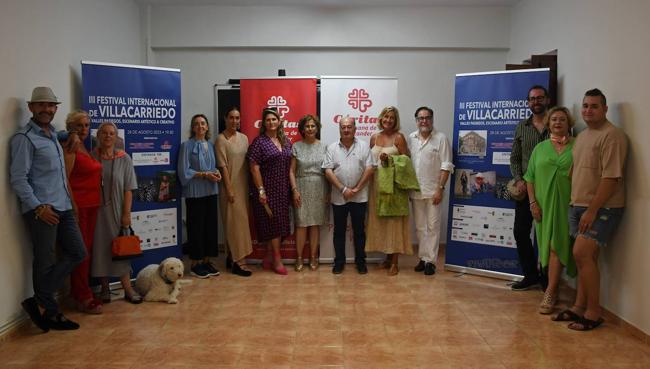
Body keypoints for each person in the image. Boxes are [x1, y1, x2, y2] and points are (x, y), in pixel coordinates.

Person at [10, 87, 86, 331]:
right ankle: (51, 312)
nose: (47, 109)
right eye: (41, 105)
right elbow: (18, 179)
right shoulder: (24, 139)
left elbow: (66, 133)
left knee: (78, 252)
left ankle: (38, 300)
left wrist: (72, 133)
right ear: (32, 108)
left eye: (51, 106)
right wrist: (37, 207)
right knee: (45, 261)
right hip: (42, 210)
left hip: (63, 206)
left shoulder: (53, 135)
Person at [553, 89, 628, 331]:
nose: (588, 110)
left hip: (601, 208)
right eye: (585, 106)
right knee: (586, 259)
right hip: (578, 205)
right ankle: (578, 307)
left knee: (582, 254)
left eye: (594, 106)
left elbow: (611, 178)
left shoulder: (612, 136)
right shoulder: (583, 136)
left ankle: (594, 313)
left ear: (605, 109)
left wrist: (591, 211)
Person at [524, 107, 577, 314]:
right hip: (543, 206)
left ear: (569, 122)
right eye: (554, 119)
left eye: (562, 119)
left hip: (568, 205)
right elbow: (530, 178)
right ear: (548, 123)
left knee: (558, 246)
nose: (557, 122)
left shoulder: (577, 146)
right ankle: (553, 289)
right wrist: (532, 203)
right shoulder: (540, 148)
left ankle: (551, 292)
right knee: (548, 246)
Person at [91, 122, 142, 304]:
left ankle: (128, 289)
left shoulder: (124, 158)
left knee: (120, 249)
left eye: (112, 133)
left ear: (116, 137)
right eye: (104, 133)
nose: (108, 136)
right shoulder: (92, 157)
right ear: (98, 135)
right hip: (96, 211)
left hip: (118, 210)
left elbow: (129, 188)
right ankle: (105, 289)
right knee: (100, 249)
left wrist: (126, 214)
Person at [509, 85, 550, 290]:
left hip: (550, 190)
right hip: (526, 190)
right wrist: (518, 179)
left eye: (540, 98)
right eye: (532, 99)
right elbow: (515, 158)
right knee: (520, 232)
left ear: (547, 100)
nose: (536, 102)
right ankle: (530, 275)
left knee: (548, 235)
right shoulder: (522, 127)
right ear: (528, 102)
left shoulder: (557, 123)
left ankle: (548, 278)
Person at [322, 117, 375, 274]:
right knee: (339, 231)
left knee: (359, 231)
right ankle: (339, 262)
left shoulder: (364, 147)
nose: (346, 130)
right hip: (339, 197)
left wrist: (357, 188)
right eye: (343, 127)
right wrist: (343, 189)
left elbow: (370, 169)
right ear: (339, 129)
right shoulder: (332, 148)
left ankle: (361, 262)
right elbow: (327, 170)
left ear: (355, 128)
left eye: (349, 127)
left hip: (360, 197)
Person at [63, 110, 103, 314]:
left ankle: (77, 293)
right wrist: (74, 207)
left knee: (86, 251)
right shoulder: (70, 146)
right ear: (70, 126)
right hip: (79, 207)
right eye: (79, 125)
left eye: (87, 125)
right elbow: (65, 180)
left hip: (92, 205)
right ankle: (83, 296)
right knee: (81, 253)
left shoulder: (85, 146)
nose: (84, 129)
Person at [365, 106, 413, 275]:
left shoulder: (399, 138)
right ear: (381, 118)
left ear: (395, 120)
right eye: (386, 117)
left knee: (394, 223)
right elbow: (370, 161)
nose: (388, 120)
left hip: (394, 187)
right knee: (382, 222)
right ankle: (386, 258)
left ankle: (395, 262)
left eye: (392, 118)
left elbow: (407, 162)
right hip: (376, 186)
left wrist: (391, 158)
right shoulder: (374, 137)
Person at [407, 107, 454, 276]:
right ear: (416, 120)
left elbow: (446, 165)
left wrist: (440, 189)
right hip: (415, 191)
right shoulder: (411, 138)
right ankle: (423, 257)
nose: (424, 121)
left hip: (434, 191)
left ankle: (431, 262)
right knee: (420, 227)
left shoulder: (441, 139)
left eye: (427, 118)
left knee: (433, 226)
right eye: (421, 118)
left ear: (432, 119)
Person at [247, 108, 292, 275]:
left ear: (279, 121)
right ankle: (277, 260)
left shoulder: (286, 141)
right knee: (273, 225)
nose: (271, 122)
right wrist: (261, 191)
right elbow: (254, 168)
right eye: (268, 120)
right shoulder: (259, 142)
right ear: (263, 123)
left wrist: (292, 188)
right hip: (266, 189)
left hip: (283, 189)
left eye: (274, 119)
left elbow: (290, 167)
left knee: (281, 225)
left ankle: (268, 256)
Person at [179, 114, 222, 279]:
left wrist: (216, 173)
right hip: (195, 193)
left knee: (210, 227)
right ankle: (195, 263)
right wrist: (204, 174)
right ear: (192, 128)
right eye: (196, 124)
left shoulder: (211, 146)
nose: (200, 126)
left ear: (207, 127)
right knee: (196, 228)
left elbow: (214, 167)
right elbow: (184, 172)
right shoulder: (186, 146)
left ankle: (206, 260)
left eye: (203, 123)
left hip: (211, 191)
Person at [216, 107, 253, 277]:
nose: (234, 121)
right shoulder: (220, 140)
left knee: (239, 222)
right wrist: (229, 189)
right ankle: (240, 262)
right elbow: (222, 166)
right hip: (229, 187)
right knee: (234, 223)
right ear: (225, 119)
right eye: (231, 118)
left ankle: (232, 256)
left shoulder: (244, 138)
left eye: (237, 118)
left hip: (243, 186)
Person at [289, 115, 329, 272]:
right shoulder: (296, 146)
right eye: (307, 126)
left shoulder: (324, 147)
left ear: (317, 128)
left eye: (313, 126)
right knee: (301, 224)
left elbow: (328, 171)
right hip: (301, 187)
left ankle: (313, 257)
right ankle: (299, 257)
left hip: (320, 187)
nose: (310, 129)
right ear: (302, 129)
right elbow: (291, 171)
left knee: (314, 225)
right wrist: (294, 190)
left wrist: (328, 191)